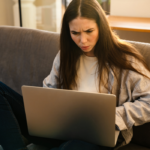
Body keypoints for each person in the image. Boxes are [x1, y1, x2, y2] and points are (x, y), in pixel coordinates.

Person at [0, 0, 150, 150]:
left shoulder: (125, 58)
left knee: (71, 147)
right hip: (59, 129)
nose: (82, 40)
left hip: (96, 138)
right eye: (75, 33)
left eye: (89, 31)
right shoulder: (65, 56)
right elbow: (48, 92)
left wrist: (115, 116)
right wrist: (46, 110)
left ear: (101, 27)